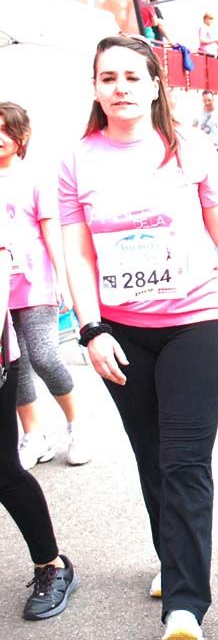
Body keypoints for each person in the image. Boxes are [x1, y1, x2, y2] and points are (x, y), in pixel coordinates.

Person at [58, 35, 218, 640]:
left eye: (133, 76)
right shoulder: (76, 159)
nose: (121, 87)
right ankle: (172, 555)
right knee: (151, 455)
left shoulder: (190, 148)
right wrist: (90, 328)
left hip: (198, 325)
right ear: (96, 88)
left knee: (184, 461)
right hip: (123, 331)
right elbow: (75, 253)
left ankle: (184, 604)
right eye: (109, 78)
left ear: (155, 84)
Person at [0, 121, 78, 624]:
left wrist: (66, 288)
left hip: (26, 297)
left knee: (4, 472)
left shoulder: (31, 178)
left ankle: (50, 563)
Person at [0, 102, 90, 470]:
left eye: (5, 129)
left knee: (43, 355)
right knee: (14, 364)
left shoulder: (35, 176)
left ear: (21, 137)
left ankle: (76, 425)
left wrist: (62, 280)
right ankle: (33, 435)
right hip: (1, 288)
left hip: (36, 281)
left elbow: (50, 229)